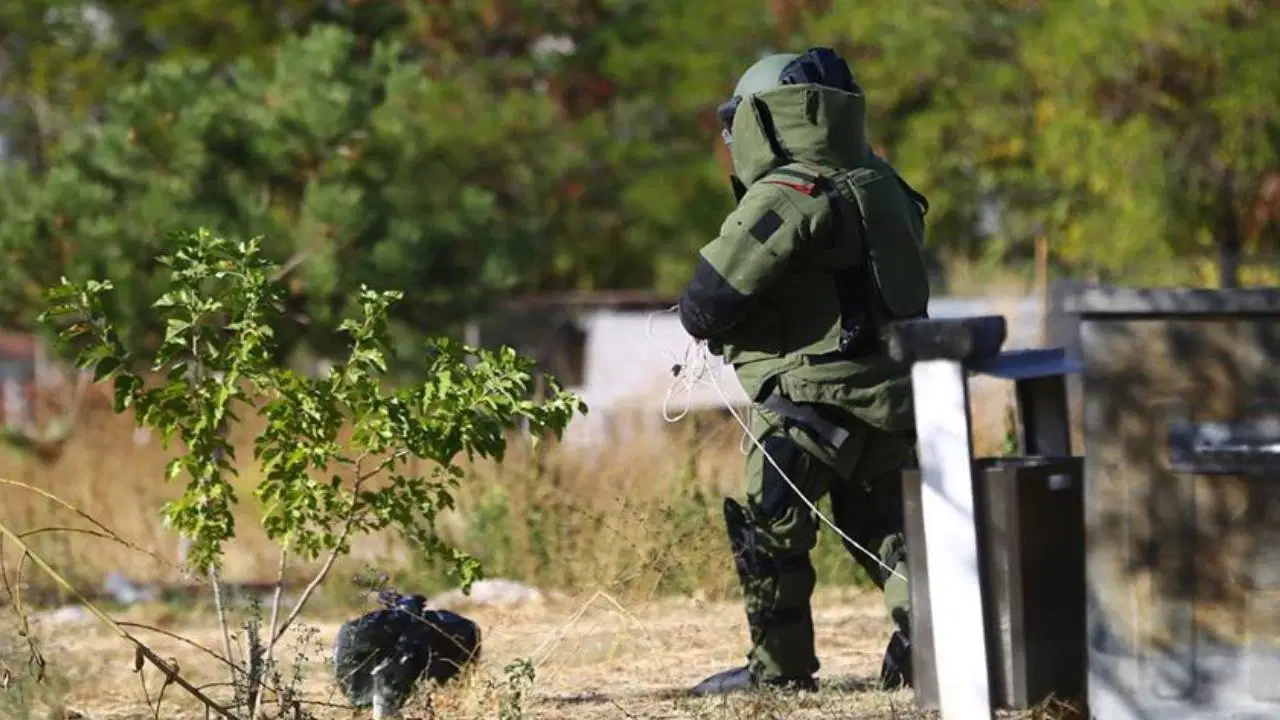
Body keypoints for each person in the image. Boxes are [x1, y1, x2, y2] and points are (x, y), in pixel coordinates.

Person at [677, 47, 931, 696]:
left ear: (766, 120)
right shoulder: (883, 182)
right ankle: (932, 643)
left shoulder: (789, 194)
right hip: (890, 394)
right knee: (889, 530)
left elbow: (705, 302)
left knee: (772, 533)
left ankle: (779, 673)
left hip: (806, 402)